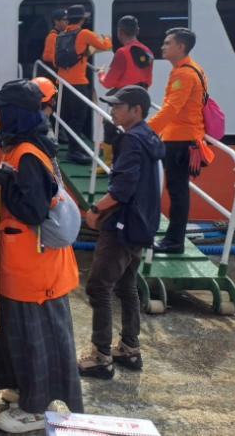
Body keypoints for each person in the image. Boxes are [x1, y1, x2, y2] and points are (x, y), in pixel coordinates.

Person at [0, 79, 82, 433]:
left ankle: (35, 409)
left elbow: (32, 209)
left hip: (35, 270)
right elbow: (17, 184)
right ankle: (25, 391)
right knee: (16, 333)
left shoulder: (28, 154)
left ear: (11, 114)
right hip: (21, 266)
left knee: (33, 338)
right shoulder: (20, 149)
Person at [78, 86, 164, 379]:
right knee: (126, 286)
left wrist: (96, 210)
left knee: (98, 287)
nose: (112, 111)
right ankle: (129, 348)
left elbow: (122, 188)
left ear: (136, 110)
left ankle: (101, 357)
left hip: (123, 225)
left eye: (118, 106)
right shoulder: (150, 136)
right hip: (143, 224)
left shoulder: (132, 140)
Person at [148, 28, 207, 254]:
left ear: (180, 47)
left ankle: (174, 242)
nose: (162, 46)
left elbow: (172, 108)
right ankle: (175, 239)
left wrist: (145, 129)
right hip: (187, 138)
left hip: (179, 141)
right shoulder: (195, 69)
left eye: (167, 43)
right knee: (178, 190)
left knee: (177, 191)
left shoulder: (184, 74)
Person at [55, 4, 112, 165]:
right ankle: (74, 151)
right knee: (79, 118)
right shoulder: (84, 33)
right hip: (78, 83)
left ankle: (74, 148)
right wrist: (107, 38)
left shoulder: (61, 35)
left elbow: (55, 61)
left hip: (62, 83)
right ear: (82, 19)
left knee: (68, 117)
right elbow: (105, 46)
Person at [97, 15, 154, 169]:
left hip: (124, 97)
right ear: (138, 31)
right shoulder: (148, 52)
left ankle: (107, 165)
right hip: (141, 97)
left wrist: (101, 74)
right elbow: (149, 79)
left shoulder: (122, 52)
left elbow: (108, 82)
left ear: (120, 32)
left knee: (110, 125)